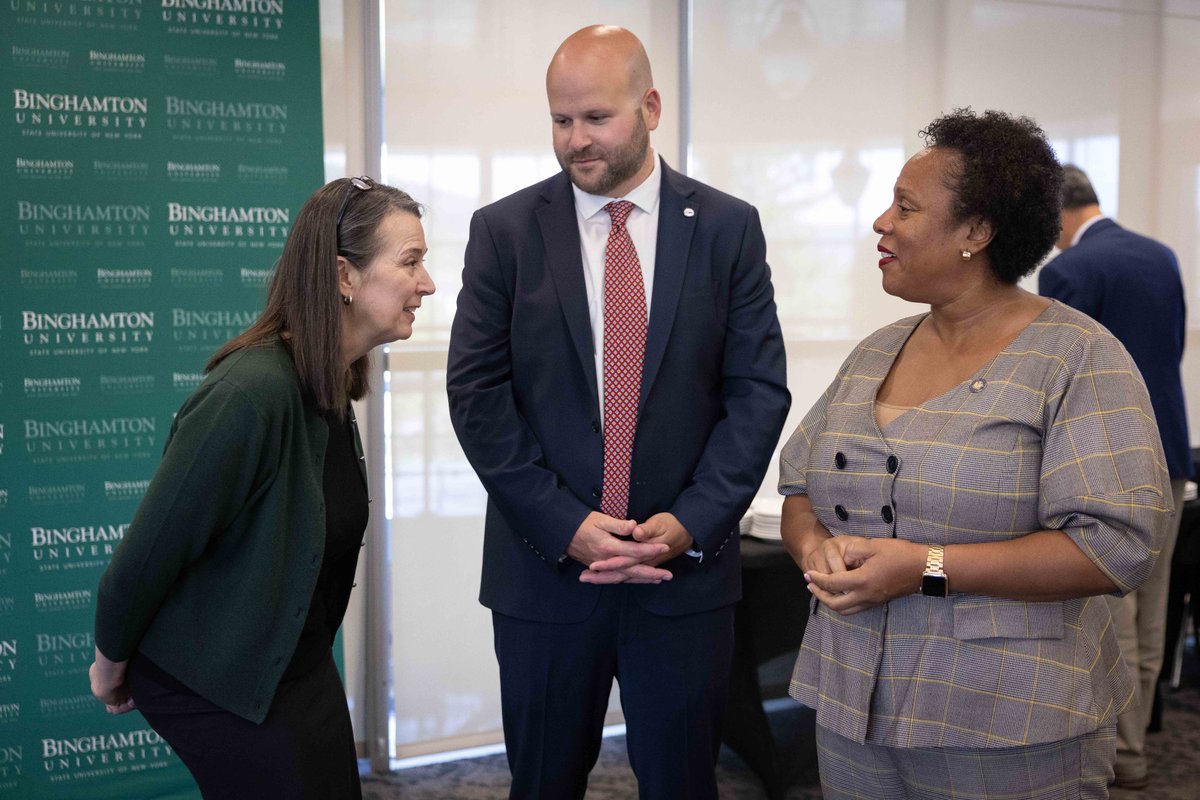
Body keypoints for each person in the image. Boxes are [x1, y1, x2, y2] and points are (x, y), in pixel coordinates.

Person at [778, 109, 1173, 800]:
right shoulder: (875, 352)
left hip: (1011, 723)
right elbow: (801, 490)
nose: (881, 223)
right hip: (854, 712)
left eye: (905, 207)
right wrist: (814, 548)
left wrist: (925, 569)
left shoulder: (1079, 359)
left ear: (977, 233)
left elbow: (1116, 547)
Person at [446, 25, 789, 799]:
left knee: (682, 784)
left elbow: (757, 391)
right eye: (560, 120)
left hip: (683, 580)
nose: (576, 140)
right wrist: (563, 522)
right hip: (545, 576)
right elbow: (476, 393)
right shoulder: (504, 231)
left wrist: (692, 521)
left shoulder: (729, 228)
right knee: (542, 784)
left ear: (652, 107)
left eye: (596, 118)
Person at [89, 176, 435, 799]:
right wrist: (110, 666)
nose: (427, 284)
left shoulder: (328, 380)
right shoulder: (251, 392)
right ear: (343, 275)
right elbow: (144, 558)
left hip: (293, 667)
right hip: (214, 682)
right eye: (410, 262)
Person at [1038, 164, 1190, 790]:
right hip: (1171, 454)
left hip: (1105, 464)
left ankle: (1116, 760)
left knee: (1111, 620)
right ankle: (1136, 756)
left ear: (1055, 216)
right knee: (1152, 618)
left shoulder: (1068, 271)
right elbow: (1172, 351)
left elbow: (1057, 377)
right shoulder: (1162, 256)